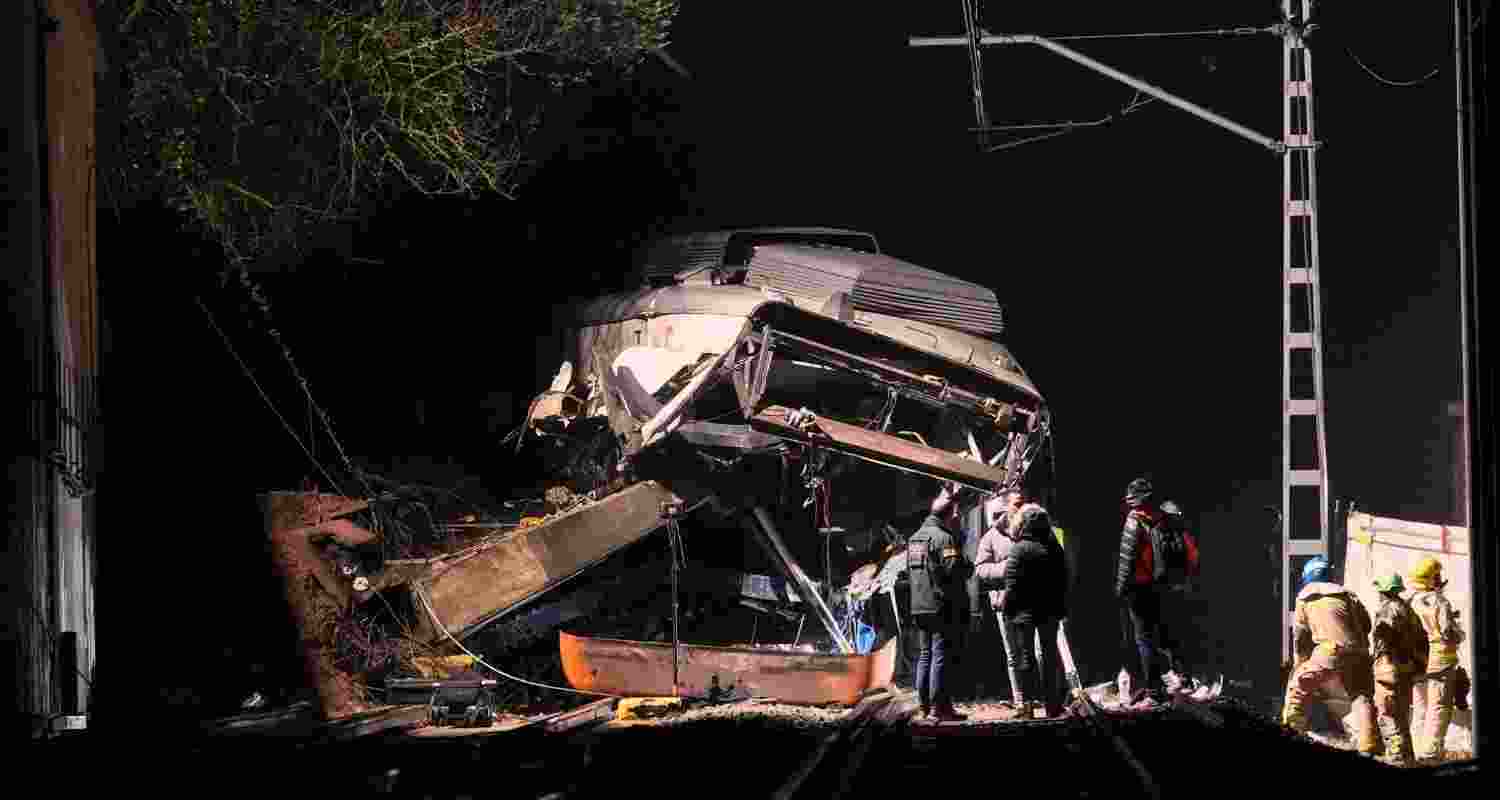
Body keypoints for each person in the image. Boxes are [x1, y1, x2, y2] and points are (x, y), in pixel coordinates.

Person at [1281, 556, 1379, 756]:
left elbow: (1300, 635)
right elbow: (1367, 624)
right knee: (1361, 697)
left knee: (1298, 686)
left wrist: (1300, 662)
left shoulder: (1305, 597)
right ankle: (1369, 747)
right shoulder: (1348, 595)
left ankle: (1290, 731)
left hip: (1329, 651)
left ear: (1308, 576)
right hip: (1358, 653)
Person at [1113, 477, 1186, 702]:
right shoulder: (1161, 519)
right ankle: (1178, 680)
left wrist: (1120, 588)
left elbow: (1126, 560)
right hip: (1159, 585)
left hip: (1138, 588)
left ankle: (1153, 691)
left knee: (1143, 640)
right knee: (1160, 636)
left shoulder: (1134, 522)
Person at [996, 498, 1068, 718]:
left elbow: (1011, 584)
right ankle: (1053, 706)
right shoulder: (1053, 547)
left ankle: (1027, 709)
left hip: (1023, 613)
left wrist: (1004, 605)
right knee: (1050, 656)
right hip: (1049, 611)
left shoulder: (1019, 549)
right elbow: (1063, 579)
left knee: (1025, 659)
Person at [906, 482, 969, 721]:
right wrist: (965, 560)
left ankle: (923, 706)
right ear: (950, 515)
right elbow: (954, 571)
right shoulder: (944, 538)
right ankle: (939, 708)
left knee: (925, 654)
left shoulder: (915, 538)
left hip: (919, 605)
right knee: (940, 654)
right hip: (941, 606)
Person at [1407, 556, 1466, 762]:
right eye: (1437, 575)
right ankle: (1431, 753)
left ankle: (1415, 747)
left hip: (1418, 660)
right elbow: (1448, 633)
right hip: (1440, 660)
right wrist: (1460, 634)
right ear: (1431, 579)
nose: (1440, 579)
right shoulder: (1439, 601)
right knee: (1439, 706)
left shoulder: (1410, 600)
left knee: (1420, 706)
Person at [1369, 572, 1427, 765]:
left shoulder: (1388, 609)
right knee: (1401, 715)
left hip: (1388, 667)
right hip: (1406, 669)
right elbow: (1421, 639)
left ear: (1384, 591)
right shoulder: (1408, 610)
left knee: (1388, 714)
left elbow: (1383, 634)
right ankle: (1408, 759)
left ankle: (1396, 759)